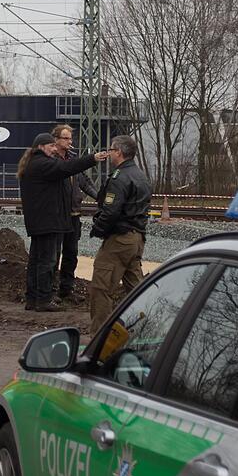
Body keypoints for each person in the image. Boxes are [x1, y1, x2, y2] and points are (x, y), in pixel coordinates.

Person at [17, 133, 104, 312]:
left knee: (36, 260)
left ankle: (32, 299)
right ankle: (44, 299)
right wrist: (92, 158)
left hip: (38, 221)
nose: (54, 149)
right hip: (48, 220)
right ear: (41, 146)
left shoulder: (32, 163)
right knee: (47, 261)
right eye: (51, 146)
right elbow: (68, 167)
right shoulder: (43, 164)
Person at [88, 135, 152, 331]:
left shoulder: (119, 177)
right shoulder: (140, 175)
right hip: (137, 238)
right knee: (136, 289)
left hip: (119, 240)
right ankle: (148, 328)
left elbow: (111, 211)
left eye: (112, 150)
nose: (109, 153)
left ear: (120, 152)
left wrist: (97, 229)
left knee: (102, 287)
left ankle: (100, 337)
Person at [50, 124, 99, 300]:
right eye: (66, 138)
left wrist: (98, 197)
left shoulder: (73, 159)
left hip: (74, 215)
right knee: (54, 255)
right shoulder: (51, 160)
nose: (70, 141)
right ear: (56, 139)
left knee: (71, 254)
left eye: (71, 138)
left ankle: (66, 289)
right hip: (58, 215)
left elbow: (84, 181)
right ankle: (51, 290)